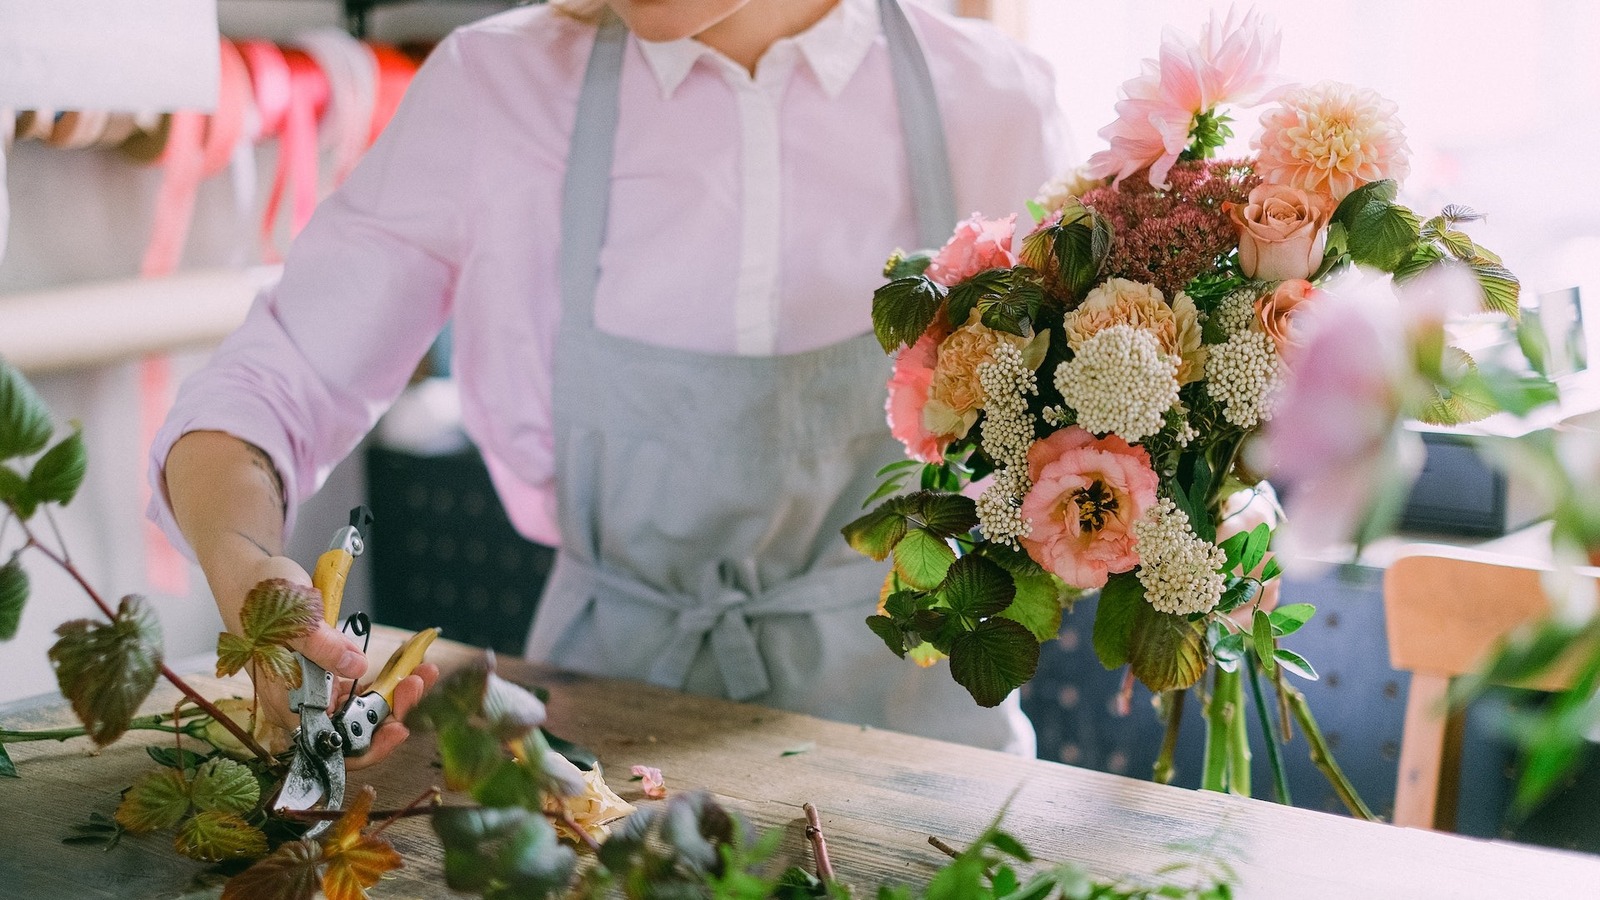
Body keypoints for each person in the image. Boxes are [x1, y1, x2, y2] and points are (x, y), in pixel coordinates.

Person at [153, 0, 1068, 766]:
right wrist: (250, 572)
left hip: (933, 770)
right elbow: (265, 391)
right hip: (601, 760)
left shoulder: (996, 104)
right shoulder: (494, 92)